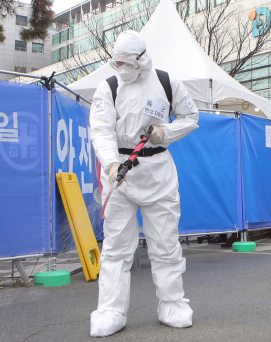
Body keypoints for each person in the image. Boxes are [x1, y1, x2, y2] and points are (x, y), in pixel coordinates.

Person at [89, 30, 200, 337]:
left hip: (158, 169)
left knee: (165, 242)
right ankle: (111, 308)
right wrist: (111, 163)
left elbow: (191, 116)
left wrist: (166, 132)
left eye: (127, 62)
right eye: (117, 62)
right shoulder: (108, 87)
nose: (121, 68)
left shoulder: (167, 82)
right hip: (119, 173)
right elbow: (100, 130)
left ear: (142, 59)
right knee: (116, 246)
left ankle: (173, 303)